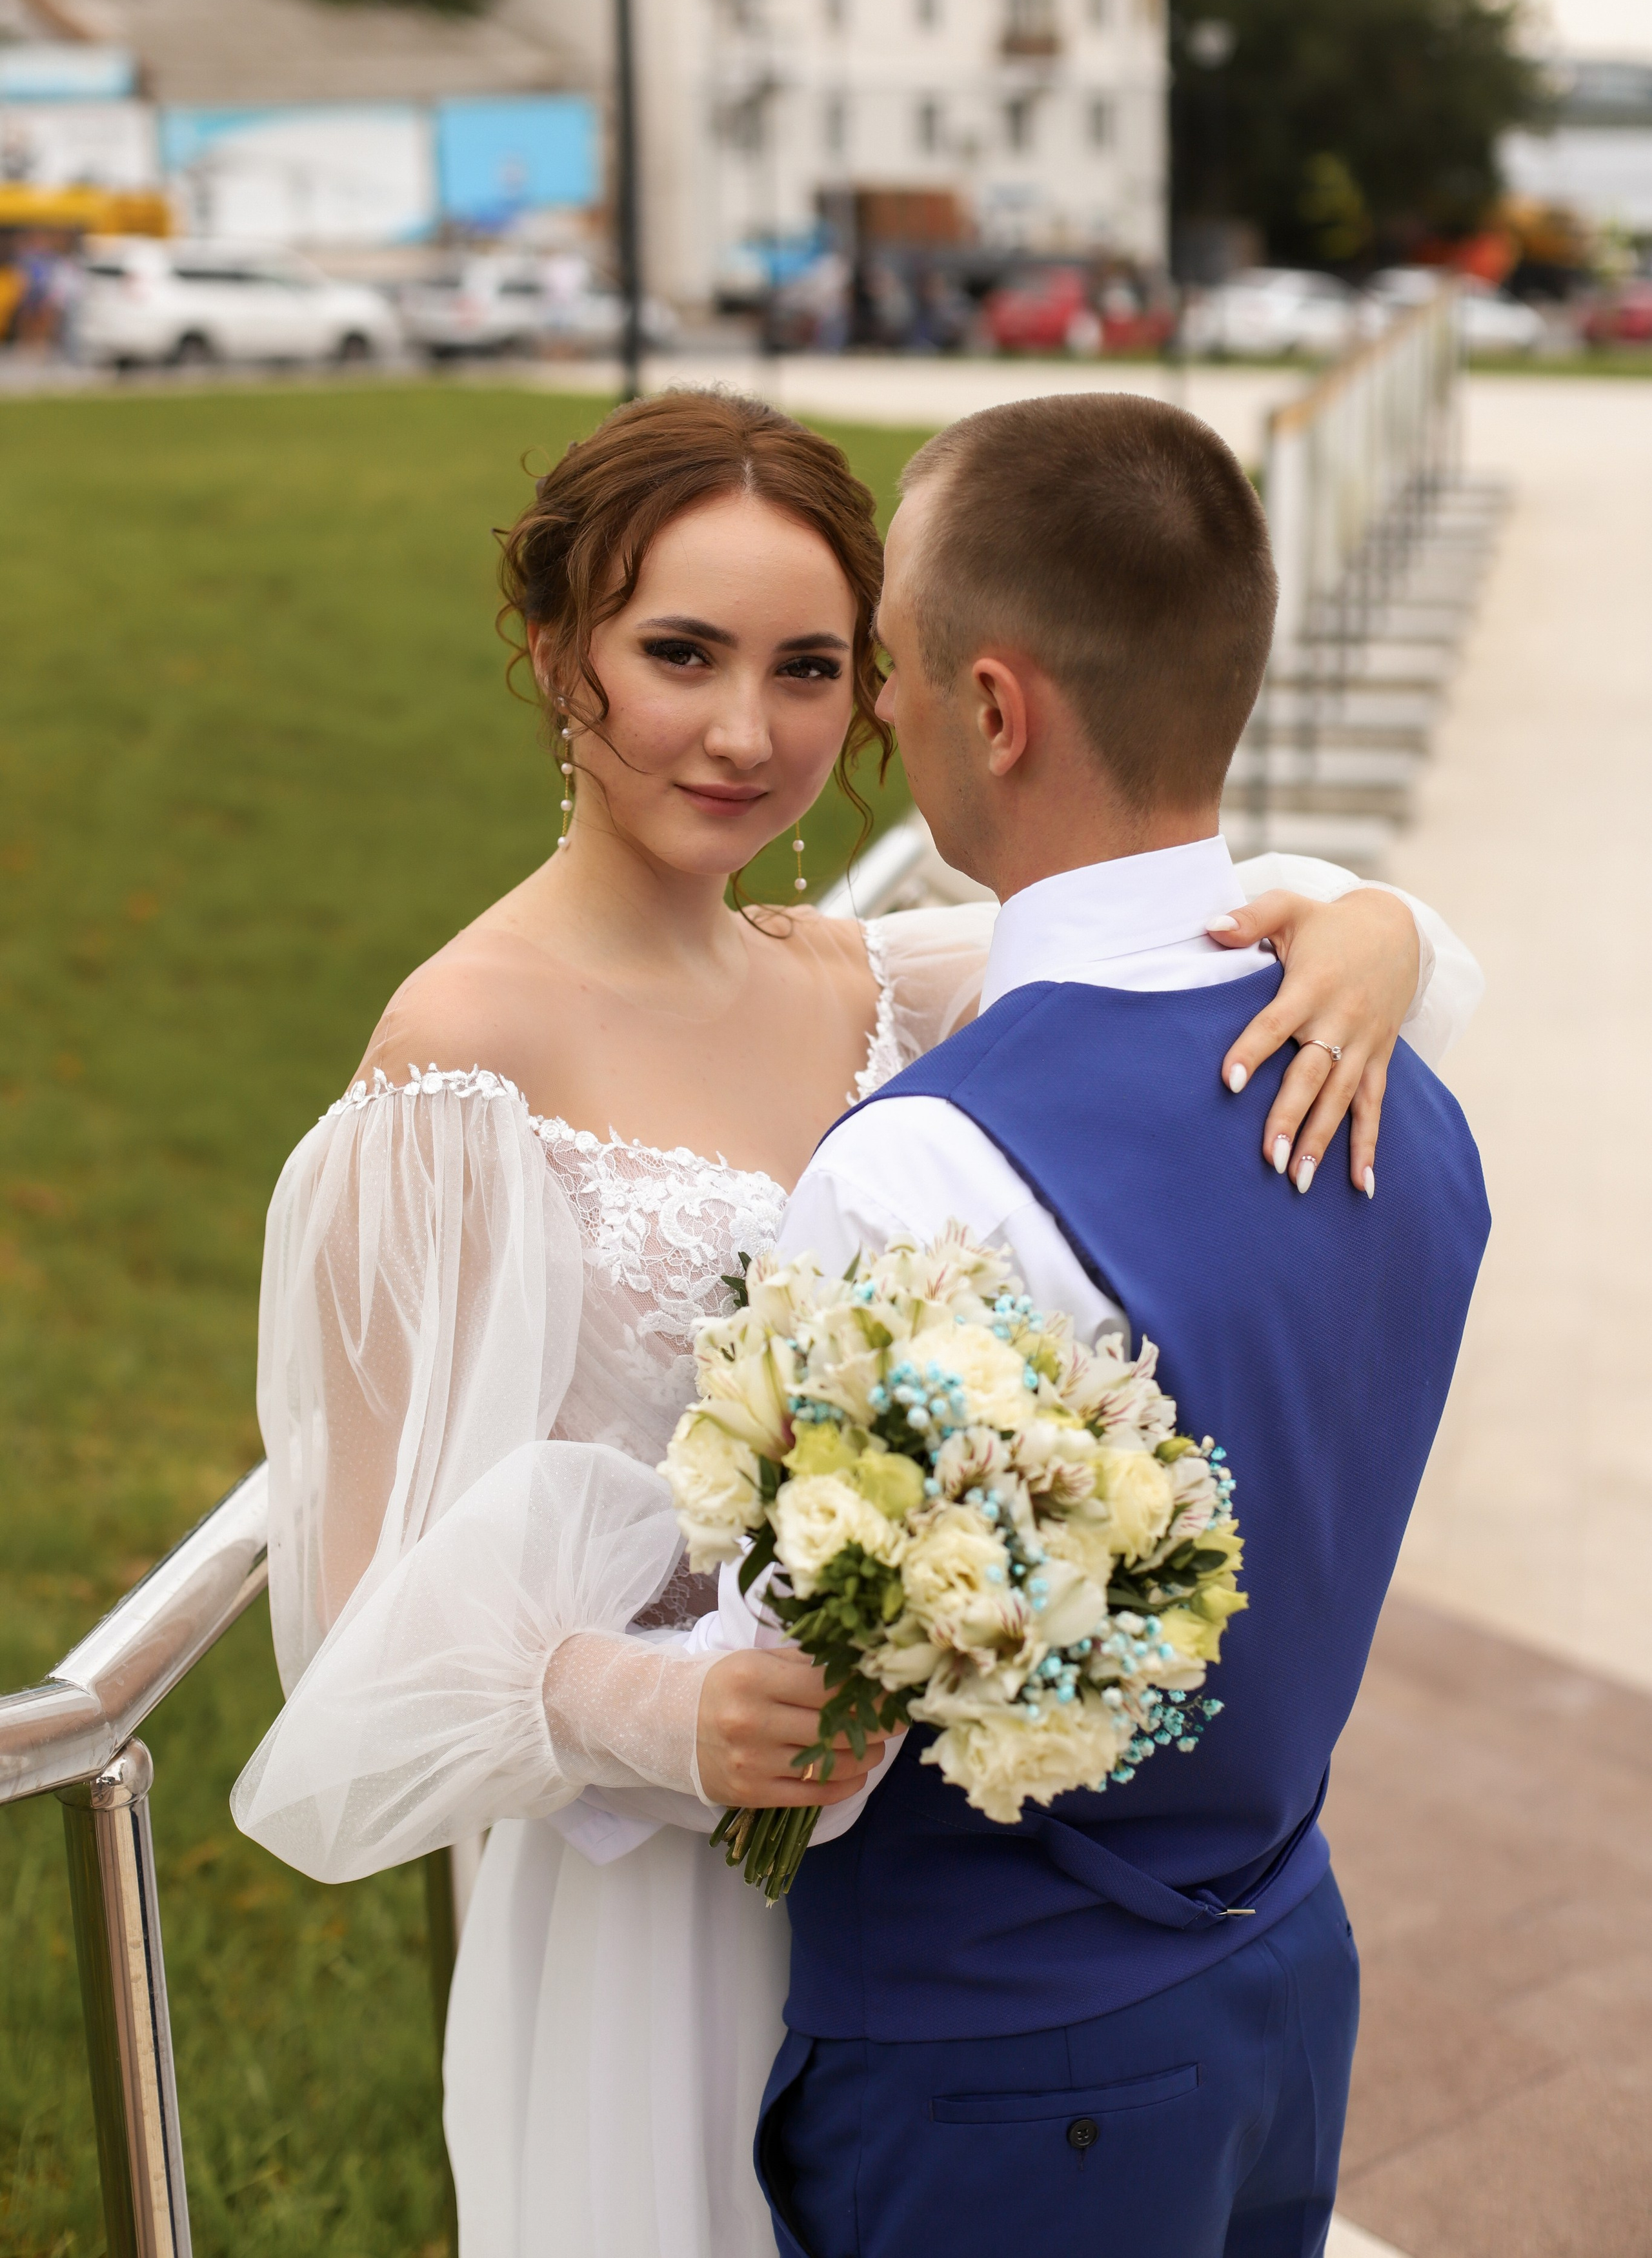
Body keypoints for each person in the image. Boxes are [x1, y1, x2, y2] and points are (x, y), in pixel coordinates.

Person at [231, 390, 1482, 2257]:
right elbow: (358, 1621)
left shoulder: (880, 984)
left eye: (812, 667)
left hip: (939, 1900)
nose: (748, 732)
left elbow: (1168, 936)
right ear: (557, 652)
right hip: (661, 1908)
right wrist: (670, 1711)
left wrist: (1368, 923)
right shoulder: (455, 1061)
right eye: (682, 655)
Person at [757, 394, 1491, 2258]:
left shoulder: (926, 1170)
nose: (878, 714)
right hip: (1279, 1971)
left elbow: (815, 1747)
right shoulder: (1409, 1082)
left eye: (896, 668)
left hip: (999, 2076)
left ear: (996, 708)